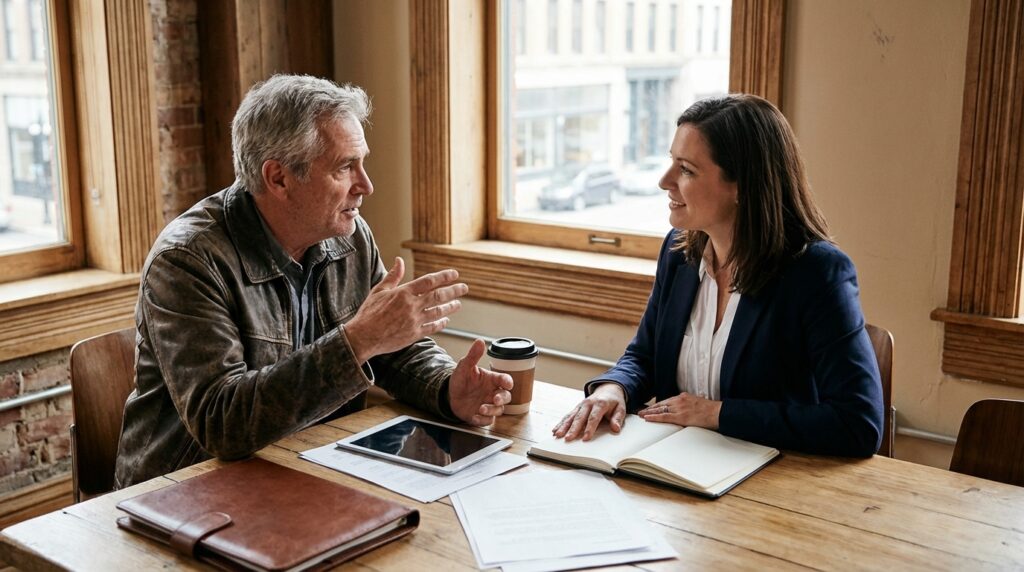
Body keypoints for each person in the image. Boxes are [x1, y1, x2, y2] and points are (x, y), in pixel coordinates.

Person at [114, 75, 512, 487]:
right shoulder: (187, 260)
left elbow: (391, 348)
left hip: (308, 465)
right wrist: (356, 340)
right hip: (183, 489)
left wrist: (447, 388)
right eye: (345, 167)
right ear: (279, 178)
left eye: (362, 163)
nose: (366, 185)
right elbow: (222, 424)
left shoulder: (348, 236)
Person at [552, 94, 883, 457]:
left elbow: (858, 424)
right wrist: (614, 388)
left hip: (775, 477)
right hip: (677, 464)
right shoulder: (678, 252)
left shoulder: (817, 273)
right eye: (671, 162)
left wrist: (715, 414)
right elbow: (645, 355)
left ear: (742, 185)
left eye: (686, 170)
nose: (664, 181)